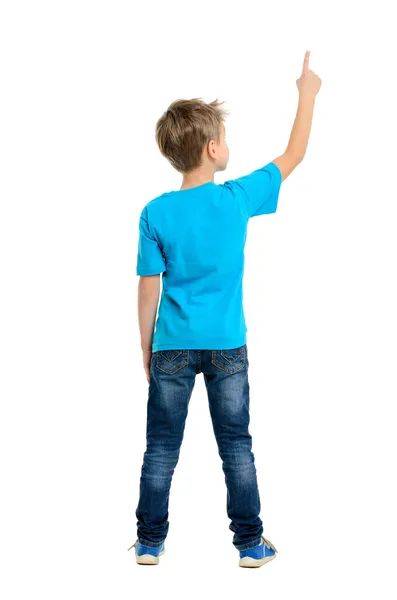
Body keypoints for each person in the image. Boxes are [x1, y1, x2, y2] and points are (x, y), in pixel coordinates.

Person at [129, 50, 322, 567]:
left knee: (161, 449)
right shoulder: (236, 198)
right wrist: (307, 93)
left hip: (171, 346)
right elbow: (294, 154)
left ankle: (150, 542)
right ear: (213, 149)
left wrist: (147, 347)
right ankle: (251, 544)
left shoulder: (155, 212)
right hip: (227, 347)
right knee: (236, 445)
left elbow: (149, 290)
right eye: (226, 140)